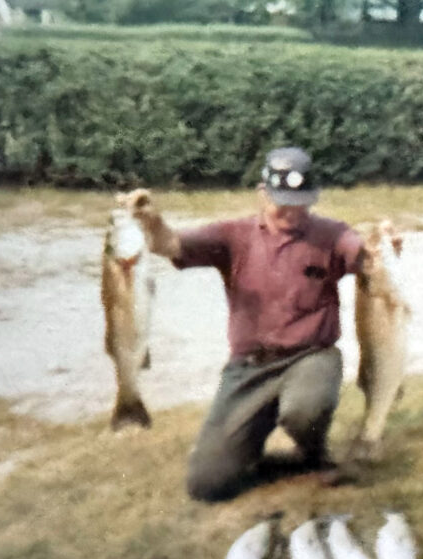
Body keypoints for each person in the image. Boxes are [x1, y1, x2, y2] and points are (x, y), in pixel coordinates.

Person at [124, 147, 364, 501]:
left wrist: (380, 245)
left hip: (310, 357)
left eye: (301, 202)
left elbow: (361, 252)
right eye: (282, 201)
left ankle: (313, 454)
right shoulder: (233, 235)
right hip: (248, 368)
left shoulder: (330, 234)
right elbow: (170, 244)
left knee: (303, 409)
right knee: (206, 484)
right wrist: (149, 221)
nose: (292, 211)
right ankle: (250, 452)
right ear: (261, 193)